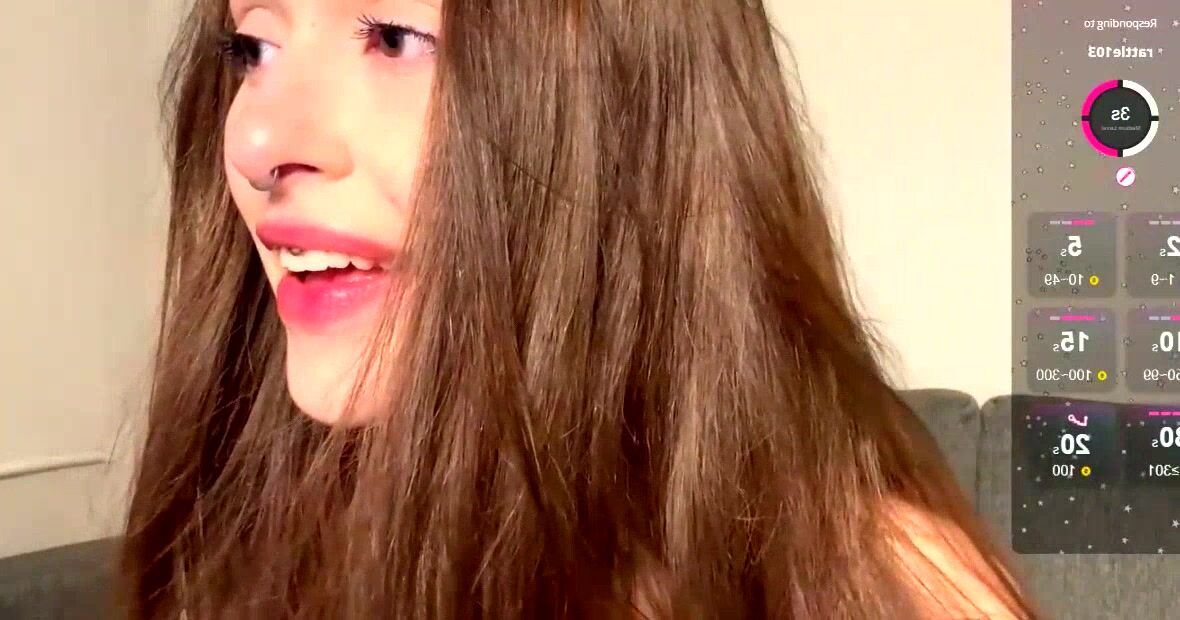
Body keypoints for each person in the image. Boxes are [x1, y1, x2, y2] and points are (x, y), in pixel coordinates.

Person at [120, 0, 1037, 617]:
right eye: (253, 48)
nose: (258, 139)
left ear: (633, 109)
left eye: (394, 37)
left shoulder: (881, 588)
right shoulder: (238, 558)